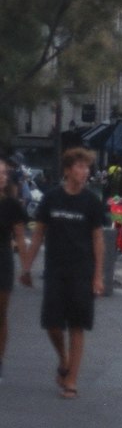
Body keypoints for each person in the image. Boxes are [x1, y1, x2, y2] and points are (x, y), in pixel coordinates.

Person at [21, 147, 105, 398]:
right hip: (55, 270)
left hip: (82, 271)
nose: (85, 172)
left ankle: (72, 380)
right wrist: (27, 266)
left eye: (87, 167)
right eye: (79, 167)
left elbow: (98, 239)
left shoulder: (91, 202)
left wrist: (98, 276)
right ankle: (63, 358)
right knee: (53, 326)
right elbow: (38, 234)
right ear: (68, 170)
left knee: (77, 326)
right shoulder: (52, 198)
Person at [0, 159, 30, 381]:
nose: (2, 177)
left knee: (1, 315)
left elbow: (20, 237)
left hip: (2, 262)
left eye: (4, 173)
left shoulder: (11, 205)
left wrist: (25, 267)